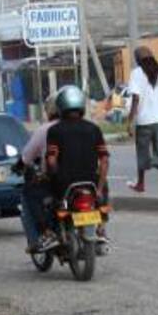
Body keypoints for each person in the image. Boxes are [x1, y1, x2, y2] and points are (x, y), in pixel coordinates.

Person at [45, 85, 110, 243]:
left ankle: (51, 233)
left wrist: (51, 175)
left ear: (61, 107)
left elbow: (52, 161)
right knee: (103, 194)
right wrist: (100, 189)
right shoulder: (94, 129)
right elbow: (104, 161)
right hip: (91, 183)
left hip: (65, 183)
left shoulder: (55, 131)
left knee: (49, 201)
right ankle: (101, 227)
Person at [126, 46, 158, 196]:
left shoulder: (136, 73)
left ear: (138, 60)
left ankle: (141, 184)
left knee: (142, 152)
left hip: (144, 121)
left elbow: (135, 97)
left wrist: (130, 121)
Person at [19, 94, 59, 253]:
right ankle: (100, 229)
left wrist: (19, 167)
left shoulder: (45, 130)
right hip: (85, 178)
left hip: (57, 181)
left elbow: (26, 157)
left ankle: (44, 234)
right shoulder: (85, 126)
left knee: (29, 193)